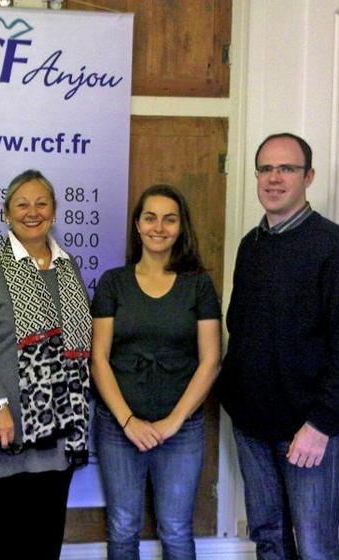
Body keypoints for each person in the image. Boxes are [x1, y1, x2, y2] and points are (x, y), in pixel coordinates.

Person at [217, 133, 339, 560]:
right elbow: (242, 327)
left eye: (286, 168)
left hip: (305, 432)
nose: (274, 178)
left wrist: (321, 425)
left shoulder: (335, 249)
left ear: (308, 176)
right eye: (266, 169)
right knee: (269, 538)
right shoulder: (251, 246)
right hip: (252, 428)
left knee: (315, 547)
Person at [91, 184, 222, 560]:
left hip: (181, 430)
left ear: (181, 227)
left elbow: (211, 360)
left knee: (177, 530)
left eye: (169, 219)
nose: (159, 227)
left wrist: (173, 422)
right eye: (150, 217)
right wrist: (128, 420)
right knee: (122, 528)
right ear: (137, 224)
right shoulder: (113, 282)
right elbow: (98, 359)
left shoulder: (198, 284)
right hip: (118, 428)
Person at [0, 169, 92, 560]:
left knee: (45, 547)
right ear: (6, 213)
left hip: (58, 442)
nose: (32, 212)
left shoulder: (68, 268)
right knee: (8, 548)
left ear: (53, 212)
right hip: (6, 439)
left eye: (41, 203)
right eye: (22, 204)